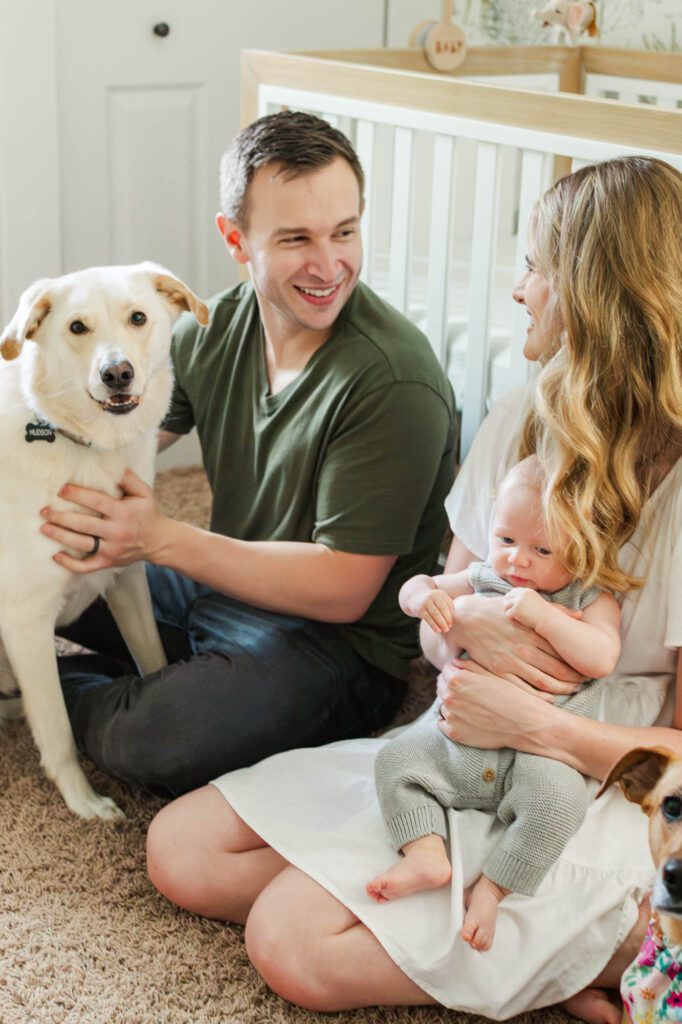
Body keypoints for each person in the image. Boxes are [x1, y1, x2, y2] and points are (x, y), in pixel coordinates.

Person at [145, 154, 681, 1023]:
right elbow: (435, 627)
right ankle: (557, 956)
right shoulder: (520, 417)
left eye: (536, 268)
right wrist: (465, 625)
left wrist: (536, 724)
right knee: (183, 849)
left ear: (591, 291)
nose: (518, 291)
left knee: (292, 942)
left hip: (599, 784)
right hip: (463, 737)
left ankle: (604, 934)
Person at [41, 110, 456, 796]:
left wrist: (159, 539)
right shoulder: (213, 328)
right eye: (297, 239)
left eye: (345, 233)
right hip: (224, 587)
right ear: (235, 239)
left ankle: (59, 691)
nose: (329, 266)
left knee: (160, 739)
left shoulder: (394, 379)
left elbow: (344, 588)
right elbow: (114, 432)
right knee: (35, 541)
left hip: (335, 651)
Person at [367, 454, 621, 955]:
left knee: (560, 806)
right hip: (458, 739)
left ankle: (494, 888)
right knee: (395, 758)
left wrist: (545, 619)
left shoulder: (588, 597)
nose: (516, 560)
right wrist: (423, 598)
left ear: (582, 550)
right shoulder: (486, 578)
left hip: (540, 758)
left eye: (541, 549)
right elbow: (421, 584)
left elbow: (604, 656)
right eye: (506, 539)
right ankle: (425, 853)